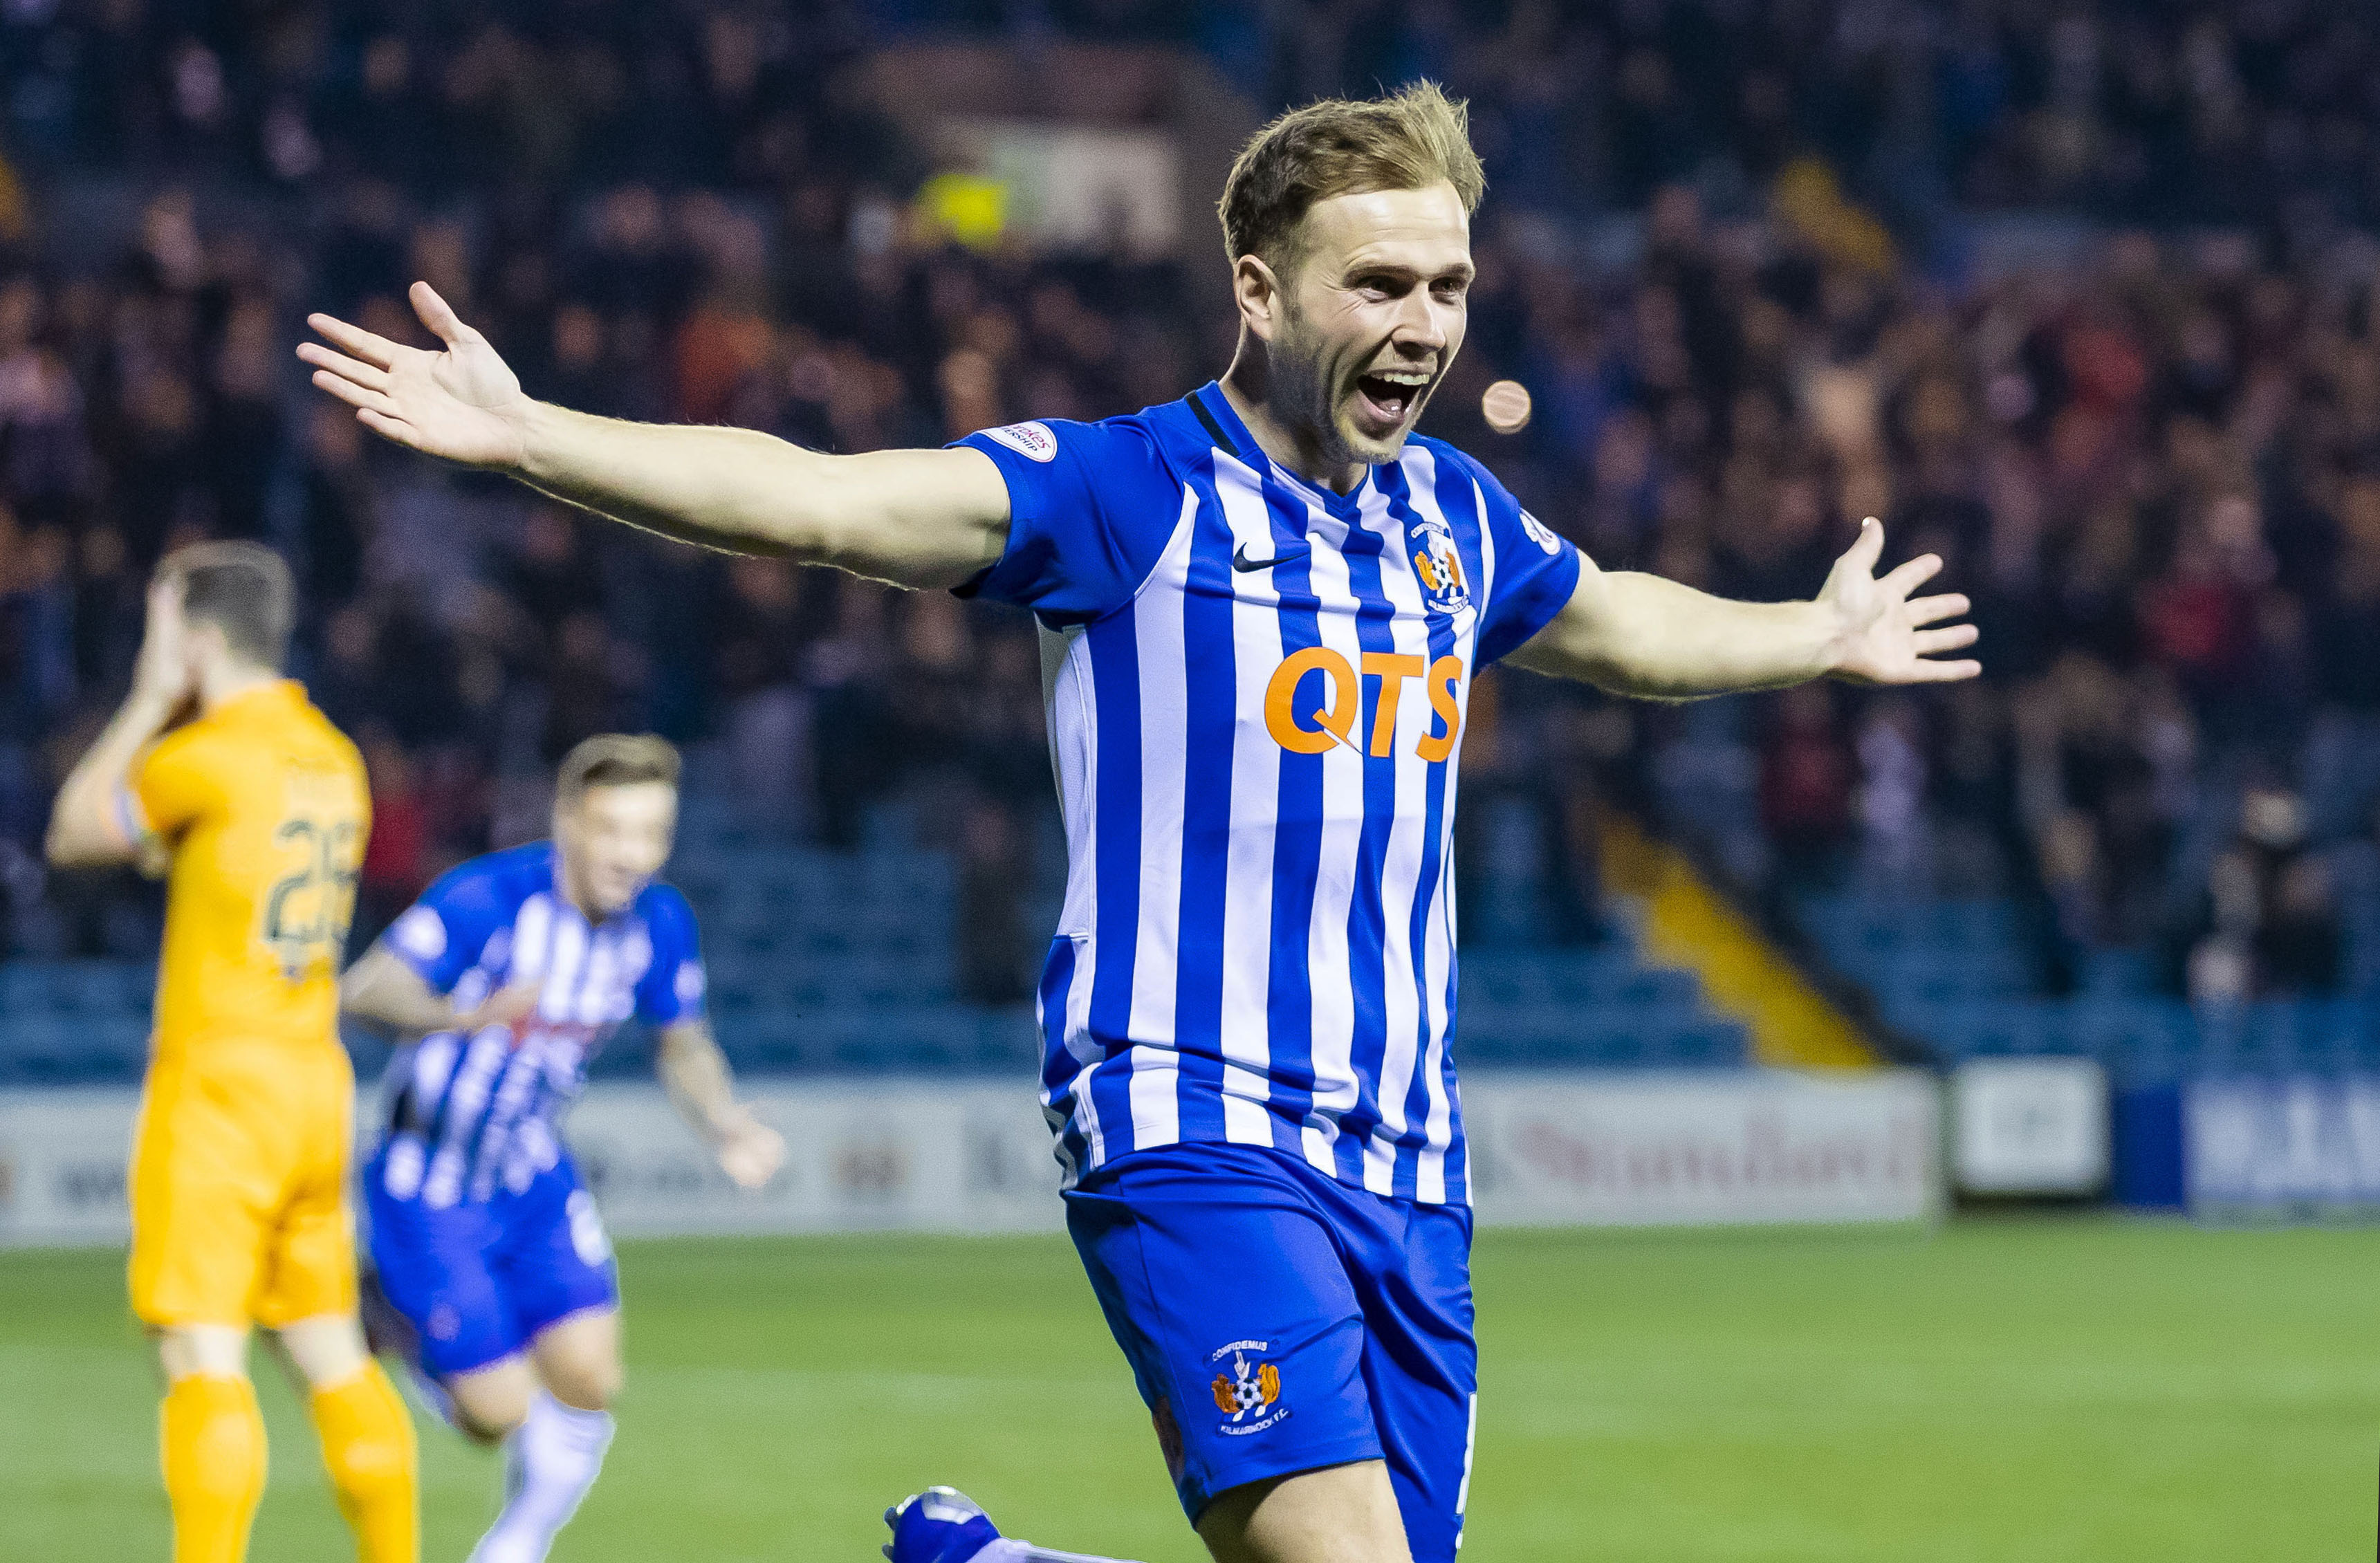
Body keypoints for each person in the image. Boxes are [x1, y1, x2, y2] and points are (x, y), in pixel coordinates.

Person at [300, 80, 1977, 1563]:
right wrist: (531, 437)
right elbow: (820, 499)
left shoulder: (1451, 515)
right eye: (1377, 282)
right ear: (1257, 287)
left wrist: (1807, 635)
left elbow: (1617, 623)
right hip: (1189, 1115)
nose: (1423, 320)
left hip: (1408, 1155)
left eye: (1449, 285)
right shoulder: (1124, 491)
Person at [46, 542, 417, 1563]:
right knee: (332, 1352)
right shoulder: (332, 756)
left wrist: (143, 698)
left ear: (198, 636)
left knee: (201, 1357)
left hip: (220, 1089)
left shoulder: (206, 756)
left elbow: (78, 829)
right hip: (314, 1083)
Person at [338, 732, 786, 1563]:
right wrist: (460, 1015)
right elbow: (366, 987)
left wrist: (724, 1121)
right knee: (499, 1413)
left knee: (589, 1378)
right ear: (568, 823)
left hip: (531, 1170)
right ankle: (385, 1312)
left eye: (652, 833)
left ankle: (515, 1548)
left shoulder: (659, 922)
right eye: (614, 830)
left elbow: (681, 1042)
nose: (634, 855)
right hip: (426, 1179)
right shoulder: (489, 899)